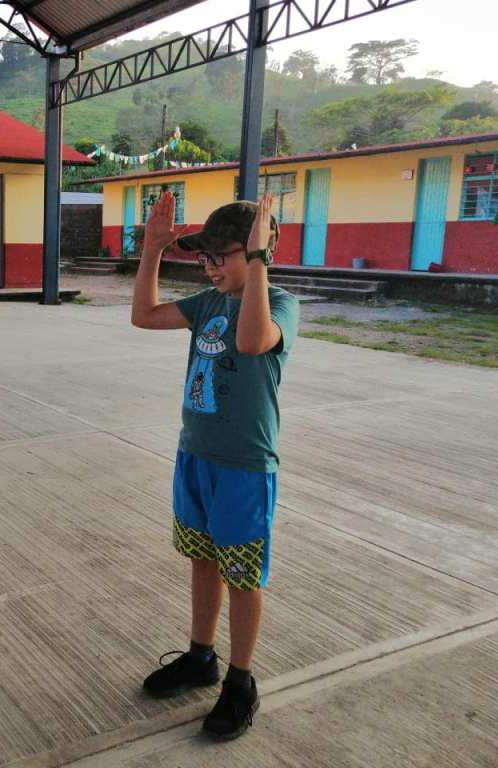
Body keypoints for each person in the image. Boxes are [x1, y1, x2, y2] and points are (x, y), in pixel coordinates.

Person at [130, 191, 300, 741]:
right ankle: (201, 656)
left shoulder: (281, 306)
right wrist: (153, 251)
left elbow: (251, 343)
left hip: (244, 467)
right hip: (195, 456)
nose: (210, 266)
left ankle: (240, 680)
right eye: (205, 256)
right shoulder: (207, 302)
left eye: (221, 255)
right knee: (203, 561)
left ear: (258, 252)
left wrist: (257, 262)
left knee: (242, 575)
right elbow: (143, 316)